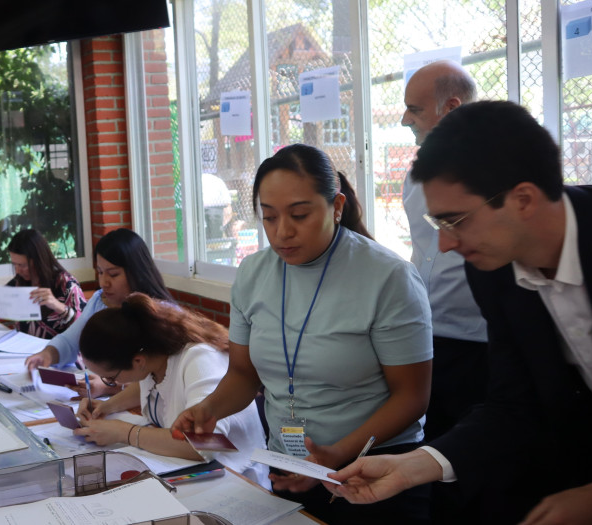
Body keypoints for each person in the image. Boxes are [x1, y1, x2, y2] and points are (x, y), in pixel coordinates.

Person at [329, 100, 592, 525]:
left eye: (455, 220)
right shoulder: (494, 269)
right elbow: (514, 402)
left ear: (523, 199)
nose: (445, 245)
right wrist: (416, 464)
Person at [173, 144, 433, 524]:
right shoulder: (252, 274)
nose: (283, 232)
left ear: (337, 206)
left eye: (299, 214)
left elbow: (412, 396)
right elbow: (245, 375)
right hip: (287, 465)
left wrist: (335, 454)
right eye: (269, 217)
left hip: (376, 472)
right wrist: (207, 410)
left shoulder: (387, 278)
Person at [73, 294, 269, 487]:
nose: (109, 383)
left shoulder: (200, 360)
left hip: (237, 480)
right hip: (191, 474)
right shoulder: (154, 356)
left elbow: (205, 446)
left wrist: (125, 432)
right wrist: (107, 406)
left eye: (110, 378)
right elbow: (150, 385)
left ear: (138, 361)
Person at [401, 60, 487, 443]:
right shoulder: (416, 173)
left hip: (480, 343)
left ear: (450, 108)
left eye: (415, 109)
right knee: (430, 442)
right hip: (425, 335)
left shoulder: (494, 172)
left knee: (474, 447)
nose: (405, 119)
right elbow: (423, 249)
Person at [23, 227, 175, 396]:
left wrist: (110, 387)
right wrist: (48, 354)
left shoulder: (161, 313)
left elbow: (163, 375)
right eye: (100, 272)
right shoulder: (99, 300)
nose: (104, 282)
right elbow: (71, 339)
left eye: (113, 274)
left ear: (137, 272)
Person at [0, 228, 86, 339]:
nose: (17, 270)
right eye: (14, 264)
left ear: (38, 260)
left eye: (22, 265)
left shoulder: (66, 283)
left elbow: (86, 326)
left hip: (58, 357)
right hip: (24, 354)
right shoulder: (19, 282)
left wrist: (57, 306)